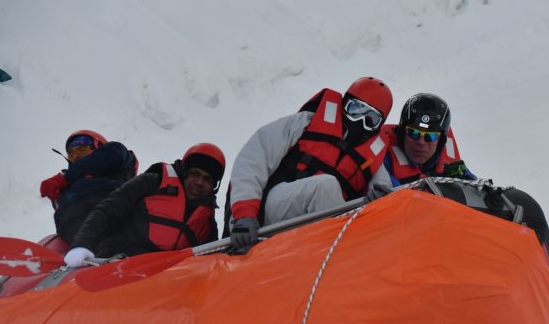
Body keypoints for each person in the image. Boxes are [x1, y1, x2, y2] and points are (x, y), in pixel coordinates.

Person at [226, 76, 395, 251]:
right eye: (356, 109)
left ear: (379, 125)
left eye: (370, 119)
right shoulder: (306, 123)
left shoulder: (372, 159)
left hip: (322, 224)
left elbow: (384, 191)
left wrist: (377, 202)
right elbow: (253, 158)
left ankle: (336, 253)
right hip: (276, 209)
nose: (360, 121)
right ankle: (340, 253)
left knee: (349, 194)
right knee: (326, 185)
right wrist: (245, 214)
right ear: (344, 104)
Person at [63, 143, 226, 268]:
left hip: (162, 281)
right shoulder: (152, 183)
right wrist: (81, 245)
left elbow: (209, 259)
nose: (199, 182)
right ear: (184, 172)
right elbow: (106, 211)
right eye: (195, 174)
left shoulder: (207, 221)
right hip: (117, 263)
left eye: (207, 179)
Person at [39, 130, 138, 244]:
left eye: (82, 149)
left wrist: (65, 177)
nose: (76, 155)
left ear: (99, 147)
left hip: (116, 224)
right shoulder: (70, 186)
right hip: (78, 240)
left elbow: (113, 154)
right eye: (71, 153)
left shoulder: (115, 155)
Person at [380, 93, 476, 186]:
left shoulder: (454, 169)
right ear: (401, 134)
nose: (421, 142)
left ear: (440, 141)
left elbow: (480, 191)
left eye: (430, 136)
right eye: (414, 133)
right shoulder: (382, 159)